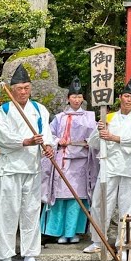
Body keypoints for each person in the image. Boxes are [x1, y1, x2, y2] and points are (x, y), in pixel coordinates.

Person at [0, 64, 56, 261]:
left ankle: (30, 255)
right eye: (19, 88)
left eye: (27, 87)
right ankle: (5, 257)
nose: (23, 91)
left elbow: (46, 134)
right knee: (7, 213)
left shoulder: (39, 109)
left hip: (32, 168)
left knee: (30, 212)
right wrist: (27, 141)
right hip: (10, 169)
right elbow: (3, 138)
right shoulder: (5, 110)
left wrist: (48, 147)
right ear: (12, 89)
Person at [84, 78, 131, 260]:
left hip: (129, 167)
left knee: (127, 207)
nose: (128, 100)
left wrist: (113, 137)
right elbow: (93, 143)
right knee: (100, 202)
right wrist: (99, 130)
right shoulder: (108, 117)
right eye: (126, 96)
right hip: (109, 165)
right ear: (120, 97)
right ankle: (98, 241)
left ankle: (124, 244)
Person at [40, 78, 99, 245]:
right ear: (68, 98)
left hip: (81, 163)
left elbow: (95, 137)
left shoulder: (89, 117)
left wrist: (90, 142)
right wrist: (59, 140)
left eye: (80, 96)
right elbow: (48, 135)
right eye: (74, 96)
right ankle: (58, 232)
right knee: (60, 197)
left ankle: (72, 232)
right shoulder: (59, 118)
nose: (77, 99)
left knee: (77, 198)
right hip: (64, 160)